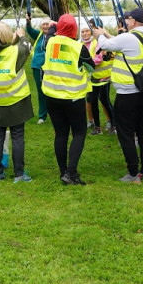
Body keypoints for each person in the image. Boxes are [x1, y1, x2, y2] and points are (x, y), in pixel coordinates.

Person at [94, 7, 143, 183]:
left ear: (134, 21)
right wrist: (106, 33)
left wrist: (99, 34)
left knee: (126, 133)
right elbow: (116, 42)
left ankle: (132, 172)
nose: (125, 22)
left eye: (127, 19)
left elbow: (106, 45)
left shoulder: (129, 37)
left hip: (127, 93)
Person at [41, 13, 94, 185]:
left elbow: (51, 31)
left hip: (51, 95)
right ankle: (71, 173)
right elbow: (91, 67)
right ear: (75, 29)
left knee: (61, 134)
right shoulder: (78, 47)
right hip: (72, 97)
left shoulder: (50, 42)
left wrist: (54, 25)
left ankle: (63, 171)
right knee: (79, 133)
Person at [0, 21, 34, 183]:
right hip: (16, 100)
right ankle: (19, 174)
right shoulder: (14, 51)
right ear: (7, 36)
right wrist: (21, 36)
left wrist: (14, 39)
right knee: (18, 136)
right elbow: (26, 47)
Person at [83, 25, 115, 134]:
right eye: (82, 32)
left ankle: (114, 126)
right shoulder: (80, 44)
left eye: (87, 31)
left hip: (103, 77)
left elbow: (98, 59)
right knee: (92, 101)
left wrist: (86, 63)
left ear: (91, 32)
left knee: (105, 101)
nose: (85, 33)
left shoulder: (97, 43)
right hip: (92, 78)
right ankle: (97, 128)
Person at [25, 15, 53, 124]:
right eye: (44, 24)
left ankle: (54, 113)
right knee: (41, 91)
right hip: (38, 66)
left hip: (51, 66)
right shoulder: (39, 35)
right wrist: (28, 22)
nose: (46, 26)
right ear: (41, 26)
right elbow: (29, 30)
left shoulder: (54, 35)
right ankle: (42, 116)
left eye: (47, 24)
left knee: (52, 91)